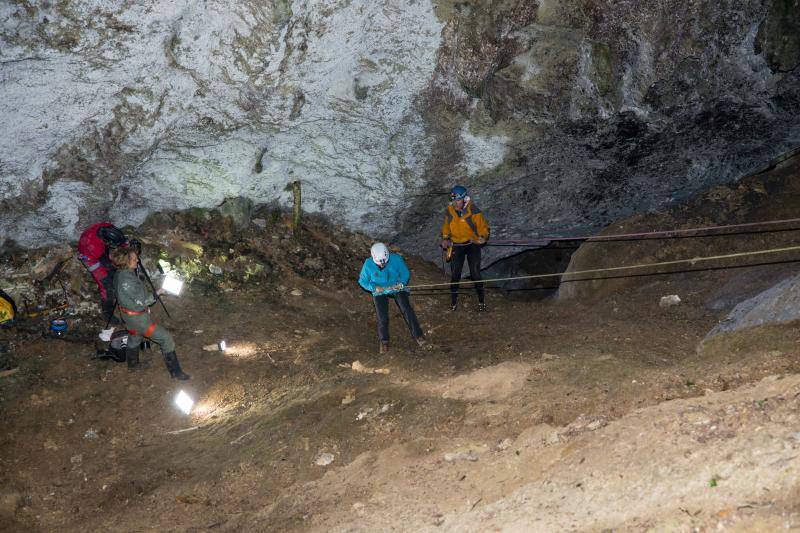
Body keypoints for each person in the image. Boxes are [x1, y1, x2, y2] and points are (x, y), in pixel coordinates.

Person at [109, 246, 190, 380]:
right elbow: (144, 300)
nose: (137, 260)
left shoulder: (120, 273)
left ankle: (133, 365)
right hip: (138, 319)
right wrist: (159, 292)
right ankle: (176, 373)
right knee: (166, 338)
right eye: (134, 259)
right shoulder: (127, 281)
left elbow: (134, 296)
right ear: (126, 261)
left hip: (128, 316)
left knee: (135, 336)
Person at [358, 243, 426, 354]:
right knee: (382, 316)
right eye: (380, 265)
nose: (382, 266)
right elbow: (362, 281)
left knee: (407, 309)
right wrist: (374, 287)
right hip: (379, 290)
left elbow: (405, 272)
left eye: (384, 263)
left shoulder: (396, 259)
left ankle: (418, 335)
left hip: (396, 286)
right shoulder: (368, 264)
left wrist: (401, 283)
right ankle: (384, 341)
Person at [440, 185, 490, 312]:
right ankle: (453, 302)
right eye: (453, 201)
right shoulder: (450, 210)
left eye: (457, 201)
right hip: (457, 245)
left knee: (475, 272)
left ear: (464, 199)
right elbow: (446, 226)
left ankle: (481, 301)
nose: (455, 203)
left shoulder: (473, 210)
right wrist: (445, 238)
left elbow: (483, 227)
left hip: (472, 244)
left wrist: (483, 237)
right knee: (455, 274)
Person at [77, 222, 129, 324]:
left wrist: (126, 245)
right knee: (106, 285)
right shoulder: (92, 245)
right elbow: (105, 261)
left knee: (115, 271)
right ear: (106, 241)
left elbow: (120, 242)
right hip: (89, 258)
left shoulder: (107, 227)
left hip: (100, 249)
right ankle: (107, 314)